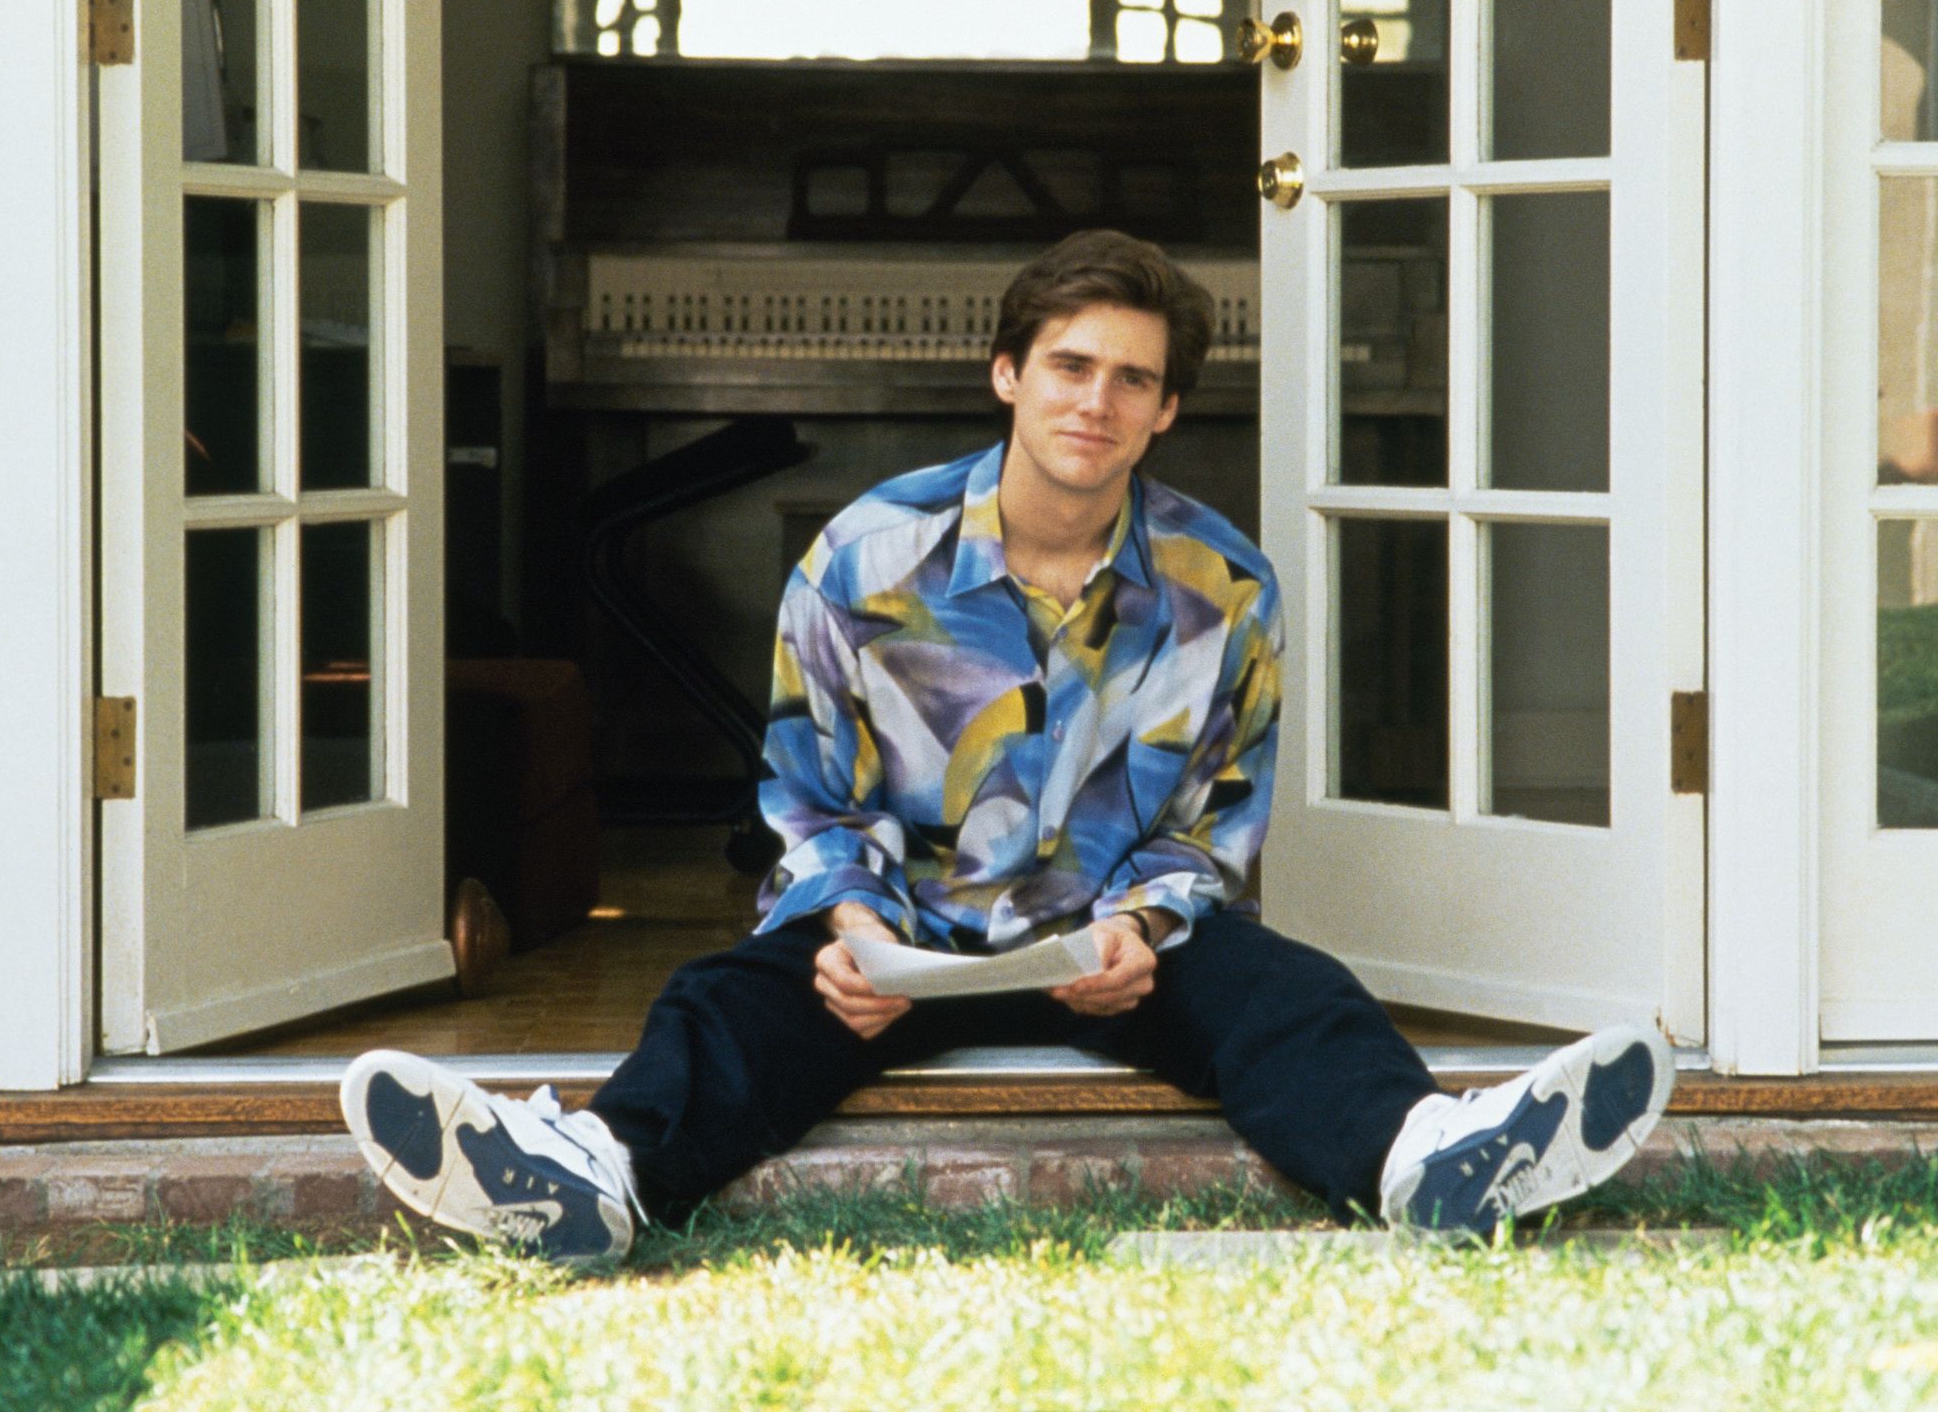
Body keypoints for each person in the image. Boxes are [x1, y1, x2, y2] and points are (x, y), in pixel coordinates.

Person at [339, 230, 1674, 1262]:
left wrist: (1142, 930)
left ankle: (1427, 1162)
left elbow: (1212, 826)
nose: (1097, 402)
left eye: (1133, 380)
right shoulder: (864, 559)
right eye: (1072, 366)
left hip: (1108, 950)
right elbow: (809, 798)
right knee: (727, 1005)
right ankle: (595, 1178)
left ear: (1164, 413)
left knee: (1294, 998)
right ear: (1009, 375)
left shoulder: (1227, 586)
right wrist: (855, 930)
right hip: (903, 938)